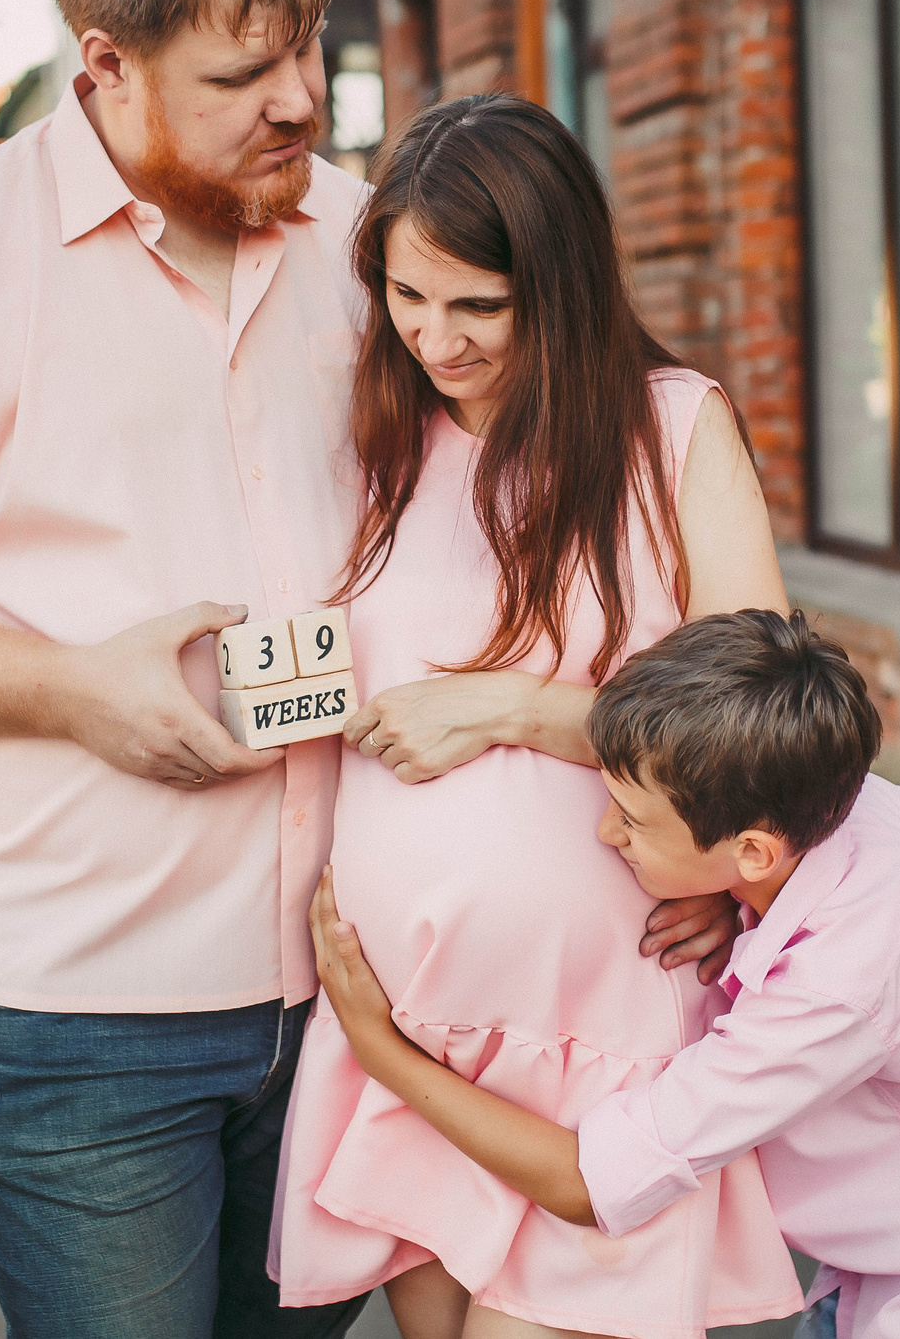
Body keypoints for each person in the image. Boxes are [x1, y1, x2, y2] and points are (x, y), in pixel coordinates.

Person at [0, 0, 733, 1339]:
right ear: (106, 64)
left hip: (361, 993)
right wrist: (74, 686)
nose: (302, 100)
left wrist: (701, 837)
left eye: (310, 46)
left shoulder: (369, 247)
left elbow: (571, 509)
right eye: (244, 70)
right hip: (89, 1010)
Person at [272, 95, 807, 1338]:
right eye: (407, 298)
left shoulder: (670, 428)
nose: (435, 339)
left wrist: (512, 709)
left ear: (556, 284)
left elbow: (758, 725)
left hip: (598, 1034)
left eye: (477, 306)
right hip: (406, 1029)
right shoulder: (376, 447)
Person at [309, 609, 900, 1339]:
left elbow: (589, 1183)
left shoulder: (843, 979)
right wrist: (732, 894)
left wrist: (380, 1051)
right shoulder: (822, 798)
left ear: (754, 848)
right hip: (894, 1261)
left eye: (634, 818)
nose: (605, 829)